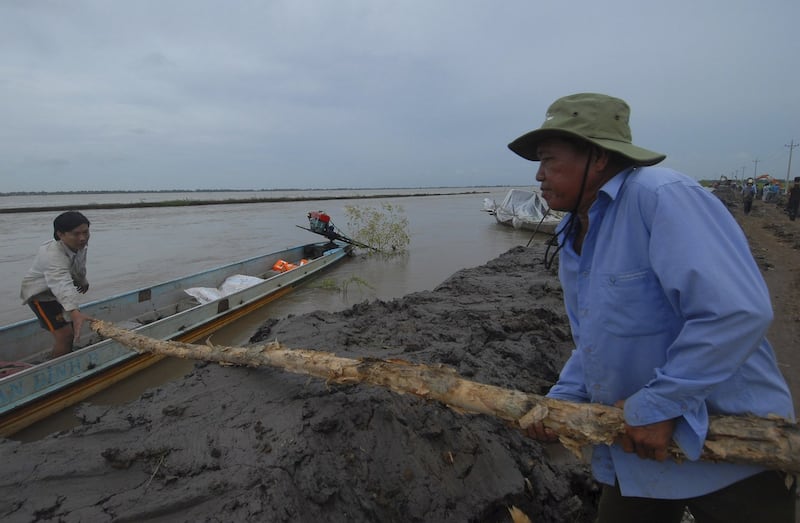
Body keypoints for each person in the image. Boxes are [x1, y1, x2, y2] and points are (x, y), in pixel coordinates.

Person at [507, 93, 796, 522]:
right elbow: (597, 337)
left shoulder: (663, 199)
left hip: (727, 443)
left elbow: (737, 313)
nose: (539, 174)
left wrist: (659, 405)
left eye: (549, 160)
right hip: (635, 450)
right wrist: (563, 400)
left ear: (598, 157)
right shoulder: (574, 229)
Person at [20, 211, 93, 358]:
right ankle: (53, 369)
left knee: (72, 331)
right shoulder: (51, 254)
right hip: (41, 296)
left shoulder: (78, 246)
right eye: (76, 234)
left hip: (59, 295)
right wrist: (74, 311)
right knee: (65, 336)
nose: (82, 238)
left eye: (85, 232)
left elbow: (78, 267)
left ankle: (67, 357)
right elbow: (61, 282)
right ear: (60, 234)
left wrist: (82, 281)